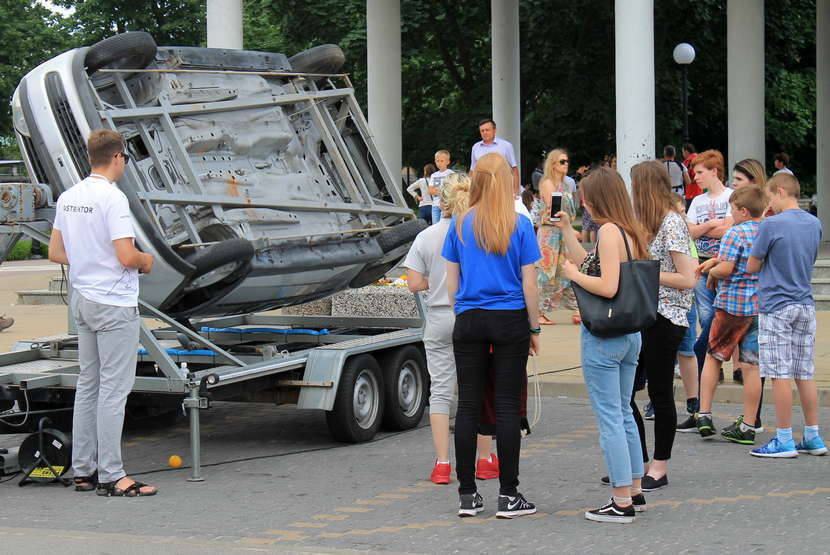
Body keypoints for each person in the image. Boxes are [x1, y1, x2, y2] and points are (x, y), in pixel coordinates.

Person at [47, 129, 156, 497]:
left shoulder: (69, 197)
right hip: (114, 304)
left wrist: (90, 259)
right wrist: (146, 261)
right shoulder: (113, 198)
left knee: (88, 386)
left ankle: (83, 470)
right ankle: (112, 475)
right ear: (118, 158)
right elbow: (127, 256)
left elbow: (56, 253)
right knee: (114, 390)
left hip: (83, 301)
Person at [442, 152, 541, 519]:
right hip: (509, 319)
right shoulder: (519, 225)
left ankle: (467, 494)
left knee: (467, 405)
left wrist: (464, 313)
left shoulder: (459, 224)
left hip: (469, 317)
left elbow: (452, 284)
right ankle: (508, 494)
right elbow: (530, 284)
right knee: (506, 407)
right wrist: (533, 327)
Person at [555, 166, 649, 524]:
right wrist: (566, 230)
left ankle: (620, 499)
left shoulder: (608, 231)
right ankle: (634, 489)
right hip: (630, 334)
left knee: (610, 417)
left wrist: (573, 277)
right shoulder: (627, 230)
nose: (583, 204)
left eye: (585, 198)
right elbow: (594, 264)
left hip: (605, 337)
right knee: (623, 412)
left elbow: (605, 285)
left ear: (596, 198)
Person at [628, 161, 696, 491]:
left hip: (667, 318)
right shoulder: (649, 222)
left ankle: (659, 466)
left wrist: (645, 272)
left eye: (635, 186)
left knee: (659, 393)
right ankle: (635, 462)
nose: (632, 192)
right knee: (625, 393)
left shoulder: (672, 223)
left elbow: (688, 278)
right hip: (645, 315)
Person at [748, 173, 826, 458]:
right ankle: (813, 436)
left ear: (780, 192)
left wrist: (766, 218)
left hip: (776, 304)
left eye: (770, 197)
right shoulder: (814, 223)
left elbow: (752, 265)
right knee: (804, 372)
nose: (769, 203)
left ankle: (783, 438)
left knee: (779, 373)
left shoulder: (770, 224)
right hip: (804, 303)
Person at [405, 173, 471, 484]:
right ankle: (484, 458)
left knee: (441, 391)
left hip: (439, 315)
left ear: (438, 201)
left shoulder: (426, 236)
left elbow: (414, 283)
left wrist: (436, 283)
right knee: (475, 388)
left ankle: (443, 463)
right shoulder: (474, 233)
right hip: (470, 314)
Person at [695, 186, 765, 445]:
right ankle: (748, 425)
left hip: (731, 306)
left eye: (732, 210)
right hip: (757, 307)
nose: (730, 214)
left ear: (743, 211)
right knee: (751, 366)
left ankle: (703, 414)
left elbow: (726, 268)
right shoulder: (766, 230)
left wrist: (712, 272)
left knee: (714, 358)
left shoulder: (736, 232)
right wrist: (717, 262)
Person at [686, 150, 733, 384]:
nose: (695, 177)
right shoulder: (697, 201)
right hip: (702, 263)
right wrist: (714, 223)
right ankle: (712, 361)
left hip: (726, 263)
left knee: (721, 314)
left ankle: (716, 357)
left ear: (714, 172)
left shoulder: (731, 197)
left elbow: (729, 230)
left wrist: (703, 226)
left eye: (700, 172)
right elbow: (689, 231)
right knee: (706, 315)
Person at [536, 149, 578, 326]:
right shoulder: (547, 184)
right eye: (562, 162)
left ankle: (579, 309)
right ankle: (538, 312)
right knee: (547, 273)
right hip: (550, 235)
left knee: (568, 271)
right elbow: (553, 213)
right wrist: (571, 229)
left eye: (567, 161)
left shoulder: (566, 185)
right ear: (553, 164)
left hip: (562, 233)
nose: (566, 164)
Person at [673, 193, 703, 433]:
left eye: (683, 213)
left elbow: (692, 271)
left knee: (686, 351)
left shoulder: (683, 236)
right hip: (667, 303)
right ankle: (657, 401)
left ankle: (694, 405)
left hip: (684, 303)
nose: (681, 218)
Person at [470, 119, 519, 192]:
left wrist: (515, 192)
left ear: (494, 130)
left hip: (502, 188)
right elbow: (472, 171)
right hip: (482, 189)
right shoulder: (475, 147)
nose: (485, 133)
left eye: (487, 130)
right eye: (482, 131)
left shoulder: (506, 146)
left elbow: (514, 170)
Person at [429, 151, 455, 225]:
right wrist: (443, 190)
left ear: (448, 162)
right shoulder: (434, 175)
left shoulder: (451, 174)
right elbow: (430, 191)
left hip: (447, 206)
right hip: (435, 206)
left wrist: (437, 190)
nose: (439, 163)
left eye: (442, 161)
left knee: (444, 226)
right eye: (437, 161)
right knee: (435, 226)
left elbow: (452, 190)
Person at [682, 143, 701, 210]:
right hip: (697, 192)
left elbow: (697, 177)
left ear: (686, 152)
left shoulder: (691, 161)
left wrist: (687, 181)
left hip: (692, 193)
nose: (683, 155)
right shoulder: (698, 159)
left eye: (683, 152)